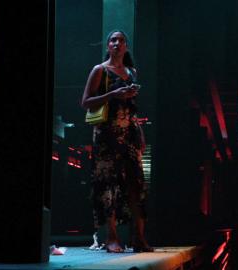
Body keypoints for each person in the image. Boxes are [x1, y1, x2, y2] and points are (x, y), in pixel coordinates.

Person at [81, 30, 153, 253]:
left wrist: (139, 130)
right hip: (107, 133)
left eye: (121, 40)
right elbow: (85, 102)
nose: (117, 43)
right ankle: (112, 237)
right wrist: (114, 94)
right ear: (108, 46)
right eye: (113, 40)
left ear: (126, 47)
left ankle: (139, 237)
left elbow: (132, 108)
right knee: (109, 184)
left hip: (130, 131)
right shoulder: (100, 70)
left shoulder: (132, 72)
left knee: (136, 183)